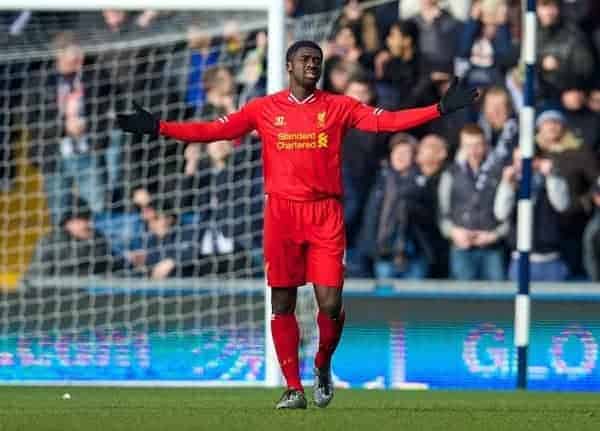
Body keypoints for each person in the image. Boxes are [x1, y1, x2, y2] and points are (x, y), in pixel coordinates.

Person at [117, 40, 477, 409]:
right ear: (289, 66)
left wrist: (439, 108)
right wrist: (160, 127)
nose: (312, 65)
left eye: (317, 61)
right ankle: (292, 387)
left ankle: (322, 363)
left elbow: (387, 121)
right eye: (305, 59)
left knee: (330, 302)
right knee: (282, 301)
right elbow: (213, 131)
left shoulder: (338, 106)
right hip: (282, 216)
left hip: (325, 214)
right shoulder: (264, 108)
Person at [438, 124, 508, 281]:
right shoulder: (450, 173)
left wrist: (494, 235)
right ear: (462, 146)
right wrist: (453, 232)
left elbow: (509, 212)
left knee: (497, 298)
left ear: (485, 145)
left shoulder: (498, 172)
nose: (473, 150)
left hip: (491, 247)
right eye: (468, 145)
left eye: (478, 145)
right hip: (461, 247)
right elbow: (442, 212)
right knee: (463, 299)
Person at [495, 148, 570, 281]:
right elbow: (500, 214)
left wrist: (551, 176)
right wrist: (507, 185)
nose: (520, 165)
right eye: (516, 160)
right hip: (519, 261)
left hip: (551, 261)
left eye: (524, 160)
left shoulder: (553, 179)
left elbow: (562, 205)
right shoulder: (511, 183)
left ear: (537, 160)